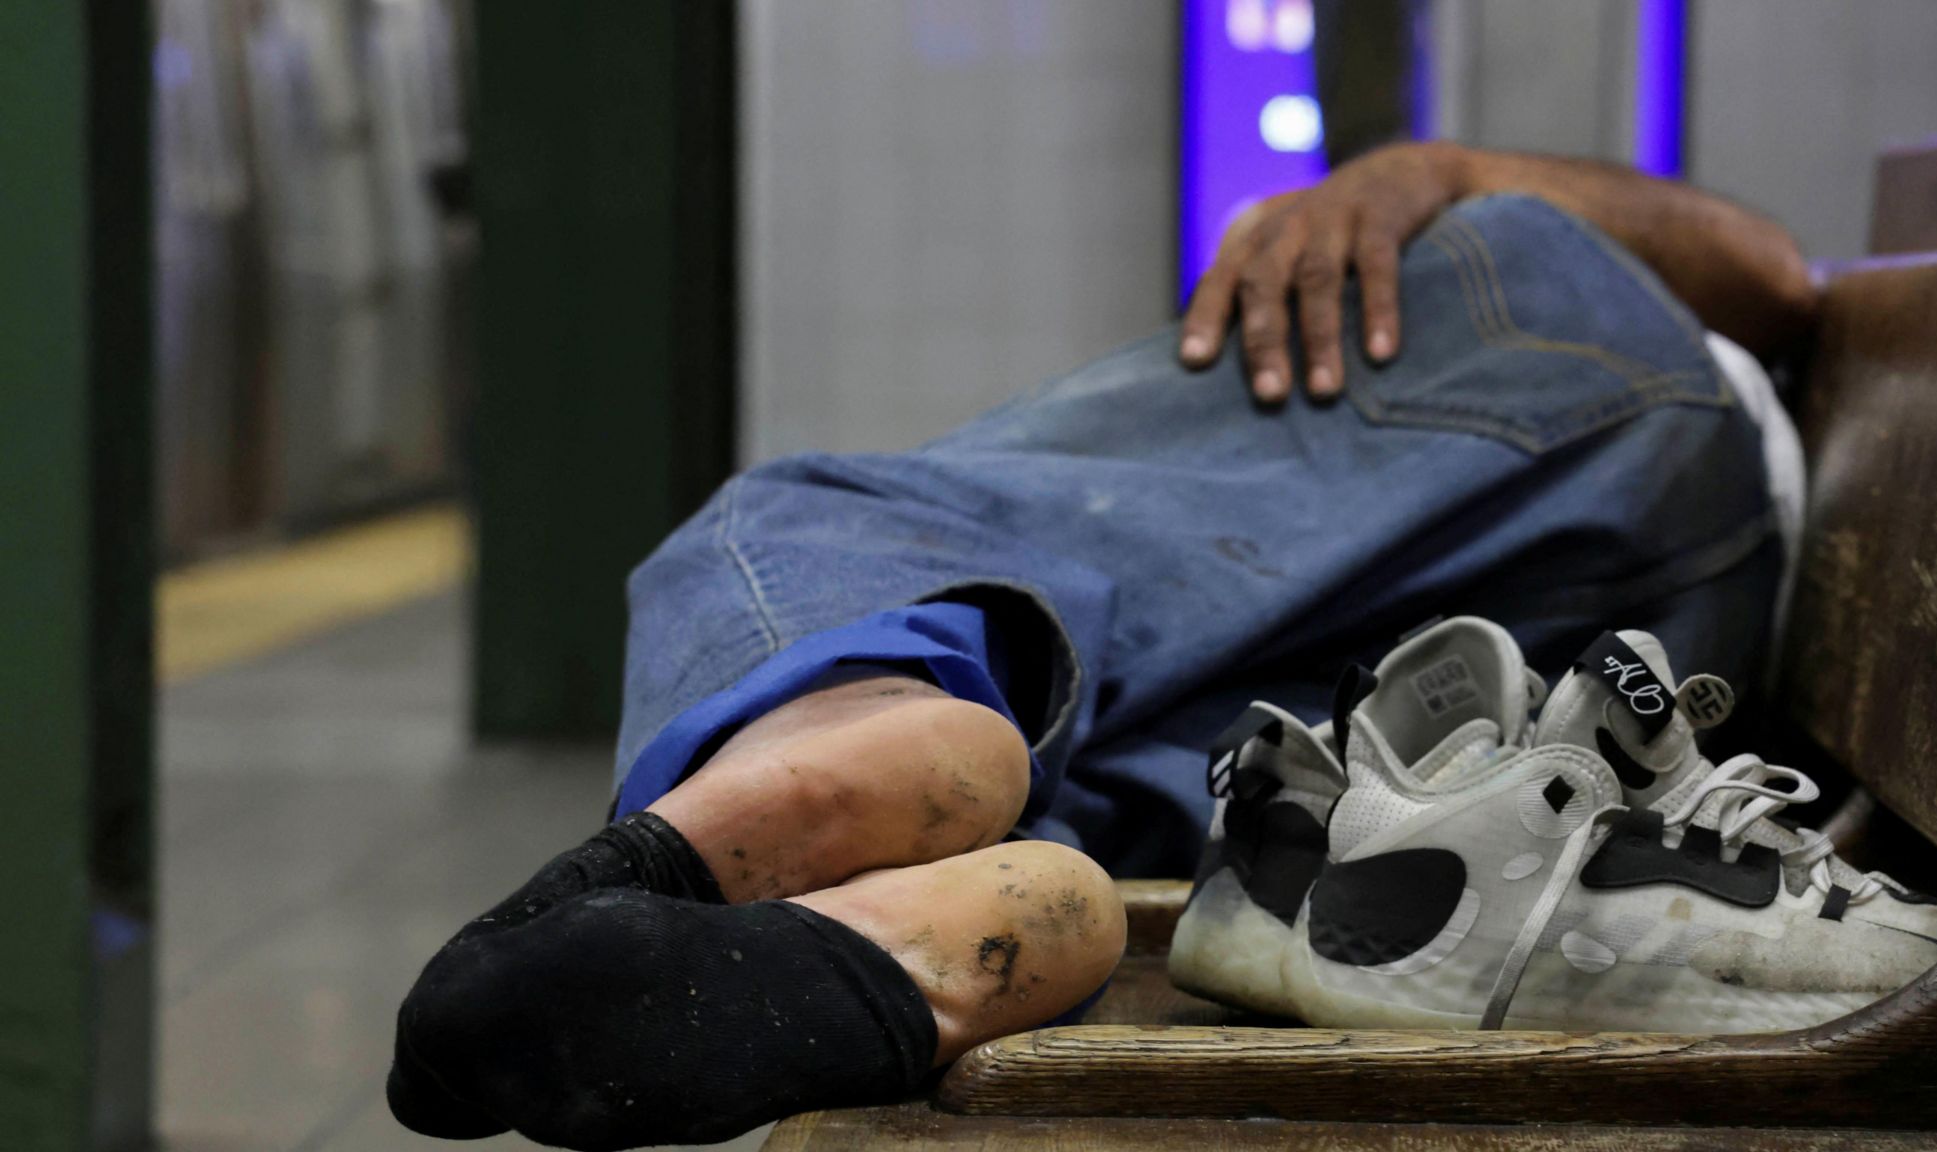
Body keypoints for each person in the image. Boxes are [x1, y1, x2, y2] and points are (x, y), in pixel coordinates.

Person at [386, 141, 1816, 1149]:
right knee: (1176, 784)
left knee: (847, 525)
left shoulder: (1552, 291)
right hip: (1605, 691)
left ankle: (847, 724)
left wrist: (1438, 171)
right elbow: (1786, 286)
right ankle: (903, 922)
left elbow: (1777, 279)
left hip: (1606, 416)